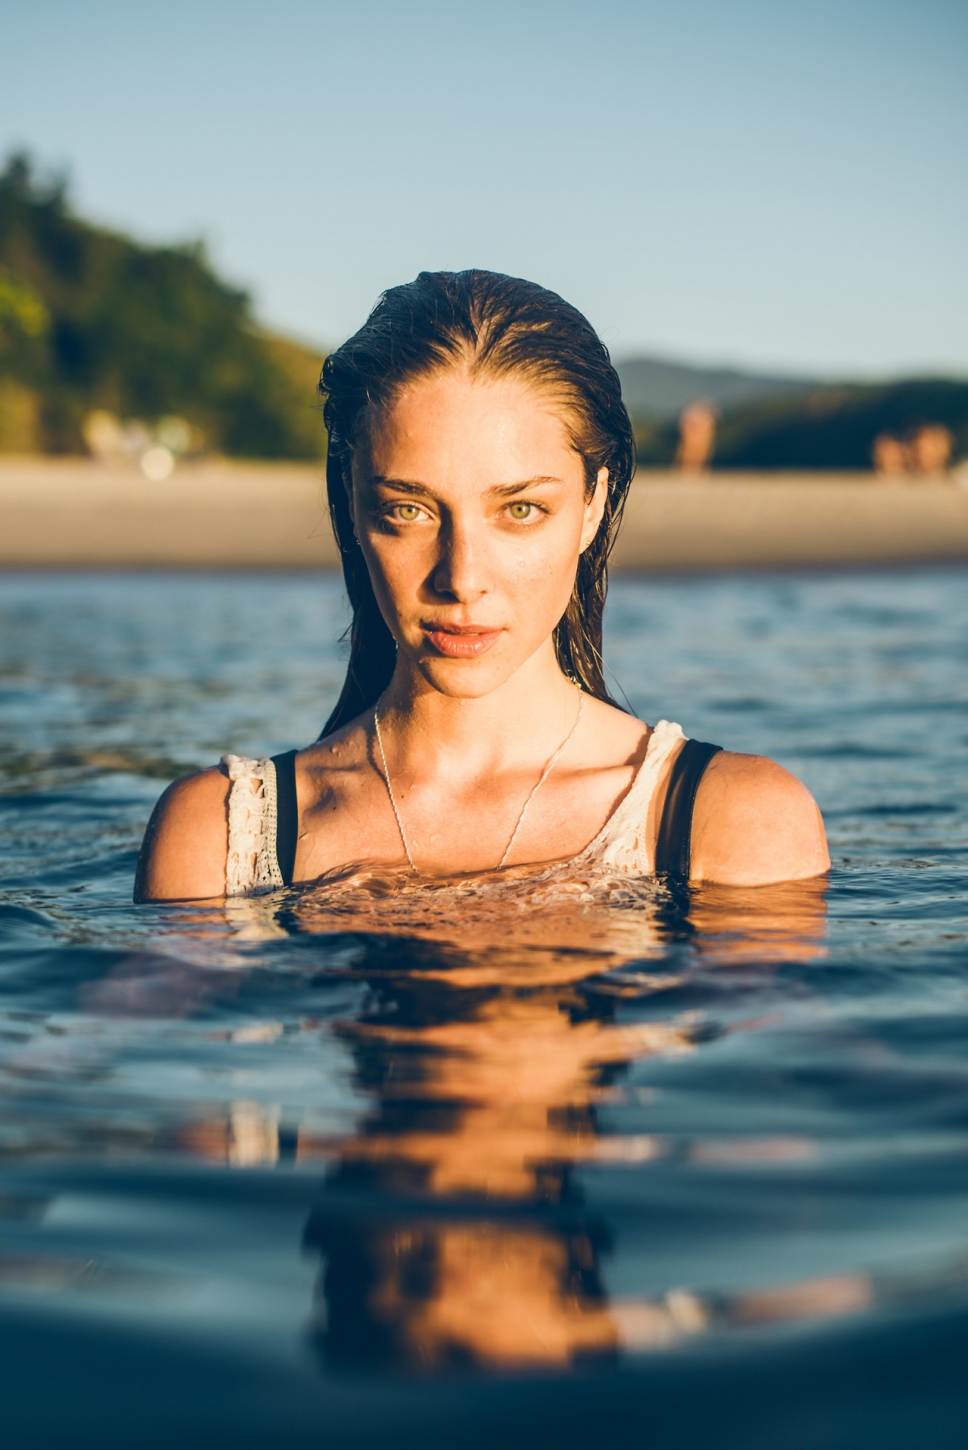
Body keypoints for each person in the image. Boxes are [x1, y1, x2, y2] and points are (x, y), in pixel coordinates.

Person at [135, 270, 828, 903]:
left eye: (520, 510)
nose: (461, 578)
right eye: (409, 510)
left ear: (592, 505)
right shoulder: (223, 836)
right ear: (352, 506)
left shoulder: (730, 819)